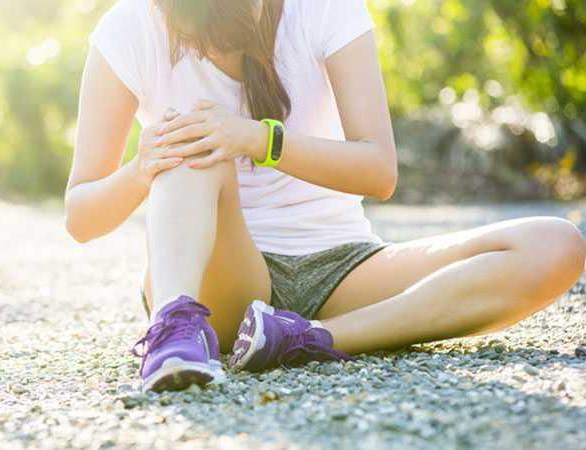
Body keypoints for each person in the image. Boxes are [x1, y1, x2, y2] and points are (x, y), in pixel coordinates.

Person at [65, 0, 586, 392]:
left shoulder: (325, 9)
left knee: (555, 244)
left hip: (341, 266)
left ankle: (307, 339)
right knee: (195, 151)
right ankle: (174, 330)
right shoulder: (128, 27)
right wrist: (142, 167)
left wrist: (258, 138)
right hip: (219, 277)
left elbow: (378, 171)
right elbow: (81, 217)